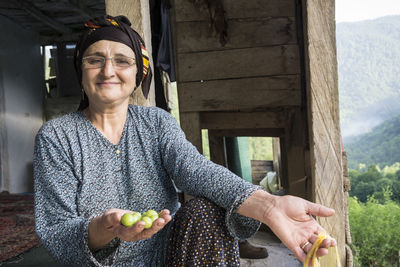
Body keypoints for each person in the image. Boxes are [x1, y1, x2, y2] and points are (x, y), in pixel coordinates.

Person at [33, 15, 336, 266]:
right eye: (95, 60)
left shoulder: (156, 123)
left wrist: (269, 206)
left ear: (139, 74)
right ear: (81, 71)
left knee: (205, 210)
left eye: (122, 61)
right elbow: (57, 232)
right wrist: (103, 228)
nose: (108, 71)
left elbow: (197, 170)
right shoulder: (57, 136)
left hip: (170, 256)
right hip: (101, 263)